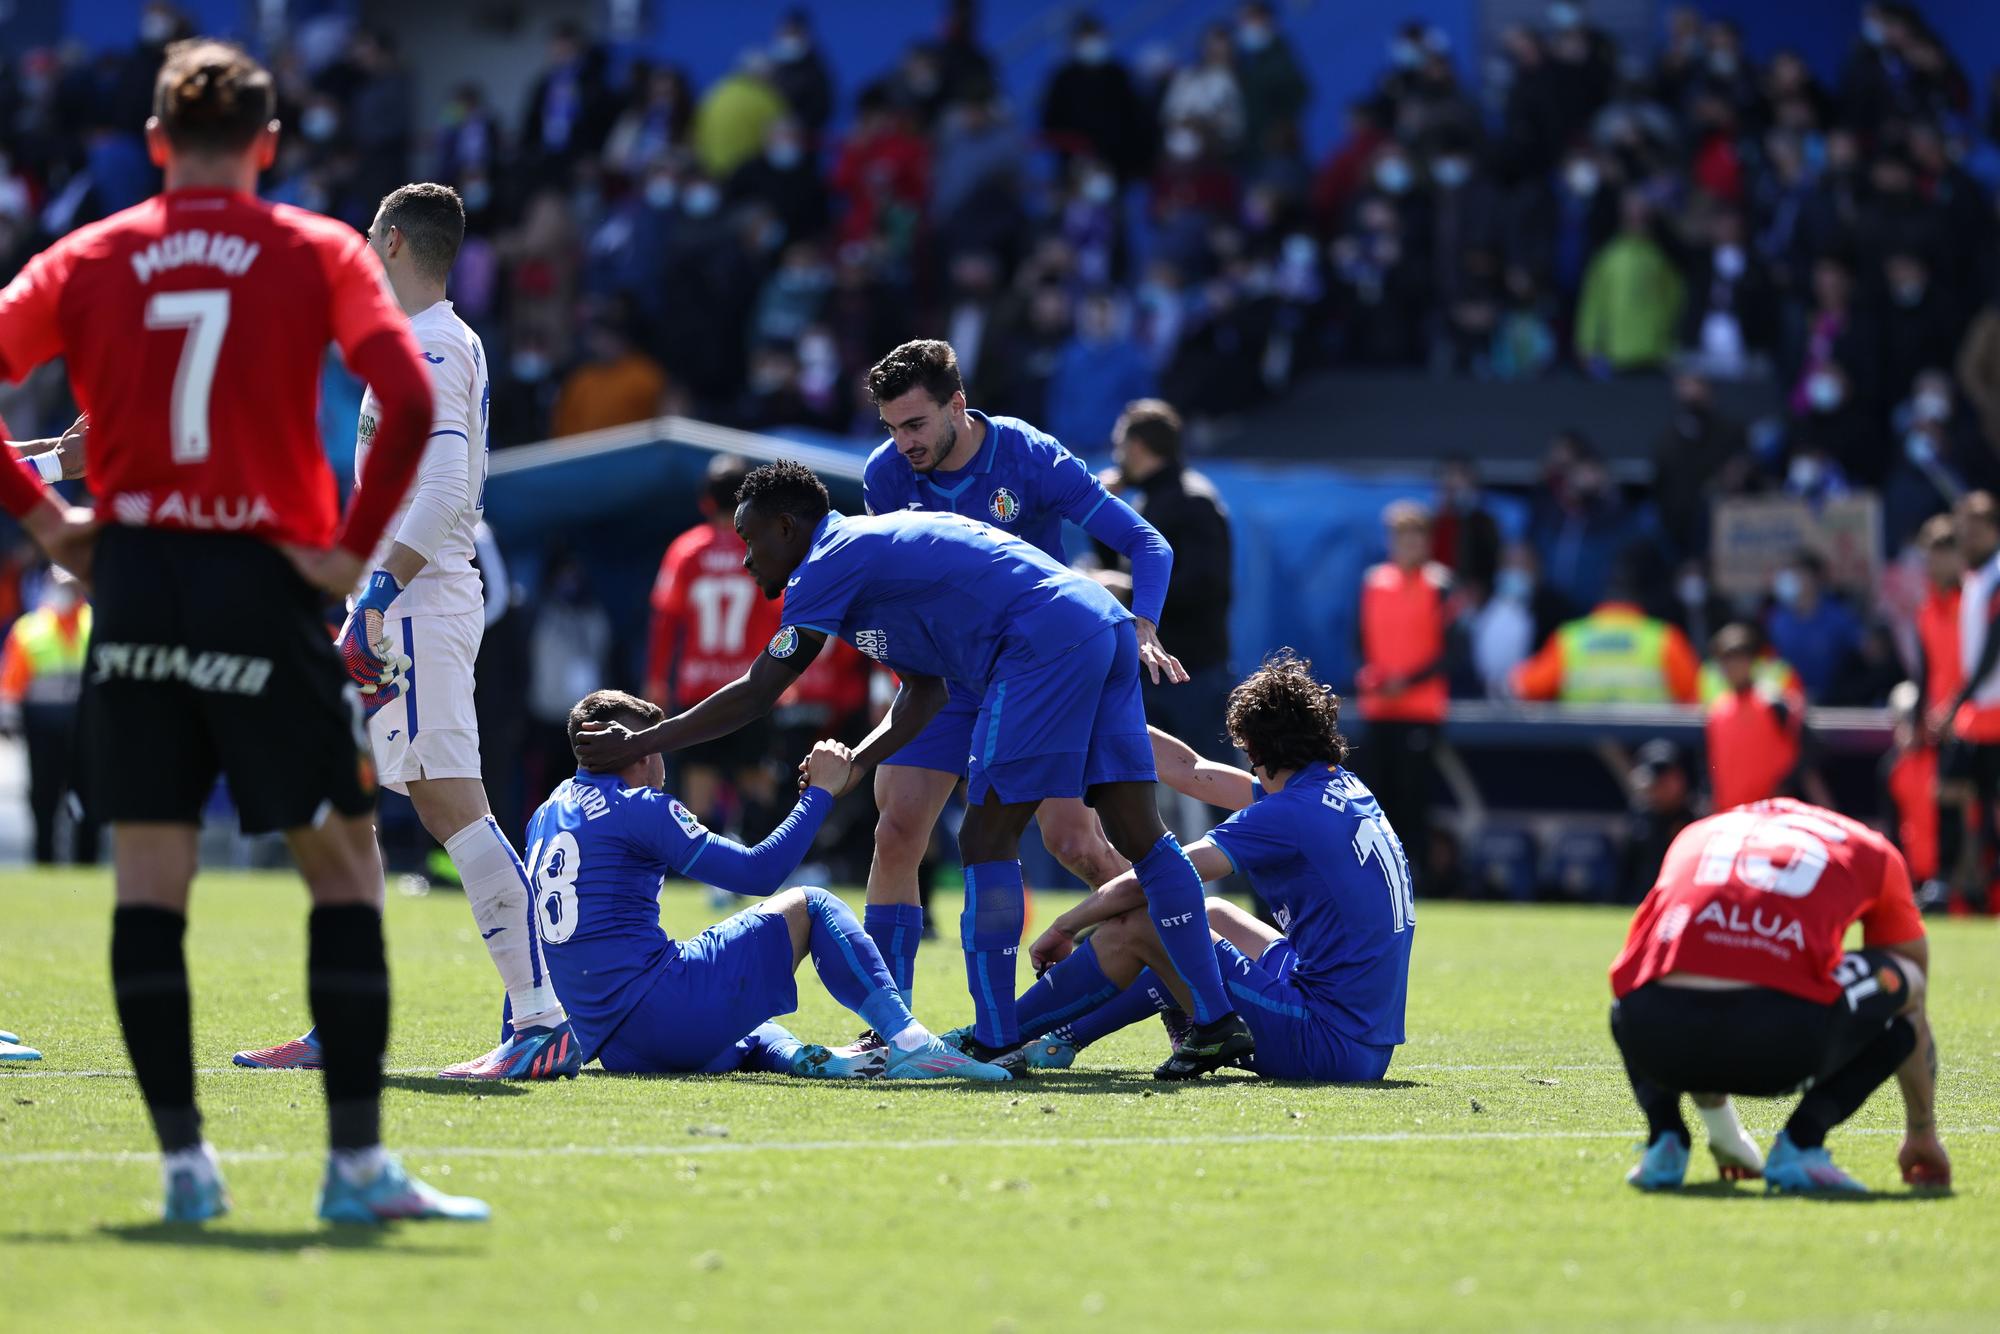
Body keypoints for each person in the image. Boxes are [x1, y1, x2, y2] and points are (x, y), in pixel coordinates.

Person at [0, 40, 482, 1224]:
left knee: (149, 883)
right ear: (266, 145)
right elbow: (414, 403)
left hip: (138, 578)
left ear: (157, 143)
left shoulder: (93, 254)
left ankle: (183, 1168)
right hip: (264, 581)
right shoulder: (316, 249)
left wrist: (52, 528)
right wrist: (341, 545)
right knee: (339, 872)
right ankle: (356, 1165)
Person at [575, 461, 1252, 1079]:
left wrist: (649, 738)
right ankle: (1215, 1022)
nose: (747, 560)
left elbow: (761, 688)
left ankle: (992, 1037)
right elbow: (924, 692)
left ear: (788, 528)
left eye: (752, 541)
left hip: (1039, 644)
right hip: (1097, 626)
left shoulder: (825, 562)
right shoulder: (865, 562)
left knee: (985, 838)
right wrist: (853, 765)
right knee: (1139, 834)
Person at [232, 182, 580, 1082]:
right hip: (401, 602)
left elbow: (445, 487)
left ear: (389, 243)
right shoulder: (441, 340)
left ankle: (542, 1019)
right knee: (358, 811)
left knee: (449, 802)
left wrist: (378, 597)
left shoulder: (427, 345)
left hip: (417, 605)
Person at [852, 340, 1183, 1024]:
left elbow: (1149, 543)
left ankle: (1187, 996)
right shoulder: (885, 478)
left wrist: (1144, 626)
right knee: (896, 832)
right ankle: (893, 1033)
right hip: (947, 680)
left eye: (914, 425)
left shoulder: (1030, 458)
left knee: (1076, 844)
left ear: (958, 406)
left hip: (1037, 678)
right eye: (890, 428)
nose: (902, 443)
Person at [527, 690, 1006, 1080]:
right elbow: (759, 873)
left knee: (747, 1023)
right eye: (655, 744)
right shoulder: (638, 807)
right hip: (663, 1014)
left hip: (614, 1046)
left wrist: (528, 1030)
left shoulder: (545, 814)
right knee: (813, 904)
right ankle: (909, 1041)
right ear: (637, 750)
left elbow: (533, 932)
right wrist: (820, 792)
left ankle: (804, 1060)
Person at [1011, 654, 1412, 1080]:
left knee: (1153, 919)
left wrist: (1066, 925)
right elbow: (1193, 770)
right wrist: (1100, 720)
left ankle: (998, 1033)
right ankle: (1068, 1039)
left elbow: (1160, 879)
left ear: (1256, 749)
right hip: (1362, 1039)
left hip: (1322, 1042)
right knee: (1211, 915)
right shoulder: (1341, 787)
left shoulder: (1287, 814)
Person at [1610, 799, 1946, 1194]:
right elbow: (1914, 988)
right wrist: (1921, 1131)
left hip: (1654, 1037)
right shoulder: (1871, 849)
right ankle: (1804, 1141)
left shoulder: (1695, 835)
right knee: (1905, 981)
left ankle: (1665, 1137)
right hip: (1782, 1046)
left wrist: (1726, 1134)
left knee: (1656, 972)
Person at [644, 454, 782, 881]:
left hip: (696, 686)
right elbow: (778, 616)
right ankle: (758, 864)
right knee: (757, 780)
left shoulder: (686, 550)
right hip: (751, 684)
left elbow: (665, 618)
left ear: (706, 500)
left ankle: (701, 876)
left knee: (699, 785)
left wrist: (655, 680)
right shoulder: (761, 548)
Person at [1100, 400, 1234, 824]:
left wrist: (1128, 588)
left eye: (1121, 443)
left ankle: (1268, 888)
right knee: (1132, 780)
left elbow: (1207, 584)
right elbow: (1120, 559)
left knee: (1220, 785)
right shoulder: (1151, 499)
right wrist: (1104, 513)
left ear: (1138, 446)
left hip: (1192, 669)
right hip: (1149, 667)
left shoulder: (1193, 501)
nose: (1117, 454)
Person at [1356, 502, 1451, 895]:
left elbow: (1452, 651)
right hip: (1379, 708)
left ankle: (1417, 882)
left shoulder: (1440, 585)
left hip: (1420, 710)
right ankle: (1379, 882)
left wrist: (1407, 681)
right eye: (1401, 536)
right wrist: (1374, 676)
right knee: (1377, 800)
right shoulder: (1374, 581)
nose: (1408, 544)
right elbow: (1360, 637)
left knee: (1414, 801)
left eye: (1416, 536)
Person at [0, 567, 97, 864]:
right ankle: (43, 861)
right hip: (42, 727)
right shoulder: (30, 629)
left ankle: (86, 865)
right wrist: (8, 720)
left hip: (87, 727)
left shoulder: (96, 623)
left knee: (88, 799)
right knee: (43, 798)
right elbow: (13, 681)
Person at [1510, 579, 1701, 704]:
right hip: (1650, 750)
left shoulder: (1570, 638)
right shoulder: (1664, 638)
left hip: (1584, 752)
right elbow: (1695, 695)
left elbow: (1528, 687)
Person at [1944, 491, 2000, 913]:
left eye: (1975, 530)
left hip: (1991, 710)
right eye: (1963, 529)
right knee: (1965, 800)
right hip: (1979, 715)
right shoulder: (1974, 578)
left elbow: (1991, 650)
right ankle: (1968, 886)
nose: (1967, 537)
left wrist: (1956, 701)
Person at [1908, 515, 1964, 909]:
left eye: (1939, 556)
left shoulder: (1974, 602)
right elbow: (1927, 670)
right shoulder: (1927, 609)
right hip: (1942, 721)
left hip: (1974, 715)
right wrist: (1919, 717)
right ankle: (1946, 884)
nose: (1932, 565)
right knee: (1946, 801)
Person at [1704, 623, 1805, 811]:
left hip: (1771, 813)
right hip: (1730, 814)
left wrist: (1783, 789)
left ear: (1751, 660)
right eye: (1726, 659)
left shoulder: (1773, 703)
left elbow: (1805, 753)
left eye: (1738, 657)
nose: (1732, 666)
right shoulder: (1717, 712)